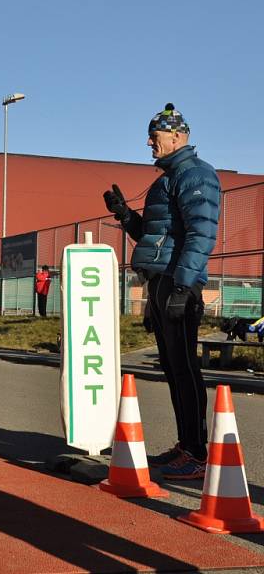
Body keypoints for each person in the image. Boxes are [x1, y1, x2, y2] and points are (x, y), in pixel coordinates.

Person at [103, 103, 220, 480]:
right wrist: (126, 217)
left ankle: (198, 454)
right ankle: (186, 446)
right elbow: (157, 238)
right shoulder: (168, 178)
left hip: (177, 282)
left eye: (155, 137)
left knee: (185, 369)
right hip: (161, 280)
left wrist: (184, 286)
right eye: (150, 136)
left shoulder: (195, 174)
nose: (149, 143)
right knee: (172, 368)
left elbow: (201, 234)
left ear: (177, 136)